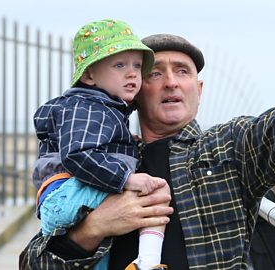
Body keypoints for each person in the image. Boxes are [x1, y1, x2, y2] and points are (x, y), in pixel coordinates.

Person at [20, 33, 275, 269]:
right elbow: (33, 262)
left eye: (184, 71)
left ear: (199, 90)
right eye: (155, 73)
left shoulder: (226, 149)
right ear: (134, 89)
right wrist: (94, 228)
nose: (171, 81)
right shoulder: (101, 164)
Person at [31, 19, 170, 270]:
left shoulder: (101, 109)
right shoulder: (88, 107)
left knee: (98, 260)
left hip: (66, 195)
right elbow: (77, 153)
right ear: (89, 74)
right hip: (67, 193)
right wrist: (126, 178)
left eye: (137, 66)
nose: (132, 73)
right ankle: (148, 263)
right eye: (119, 65)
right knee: (156, 192)